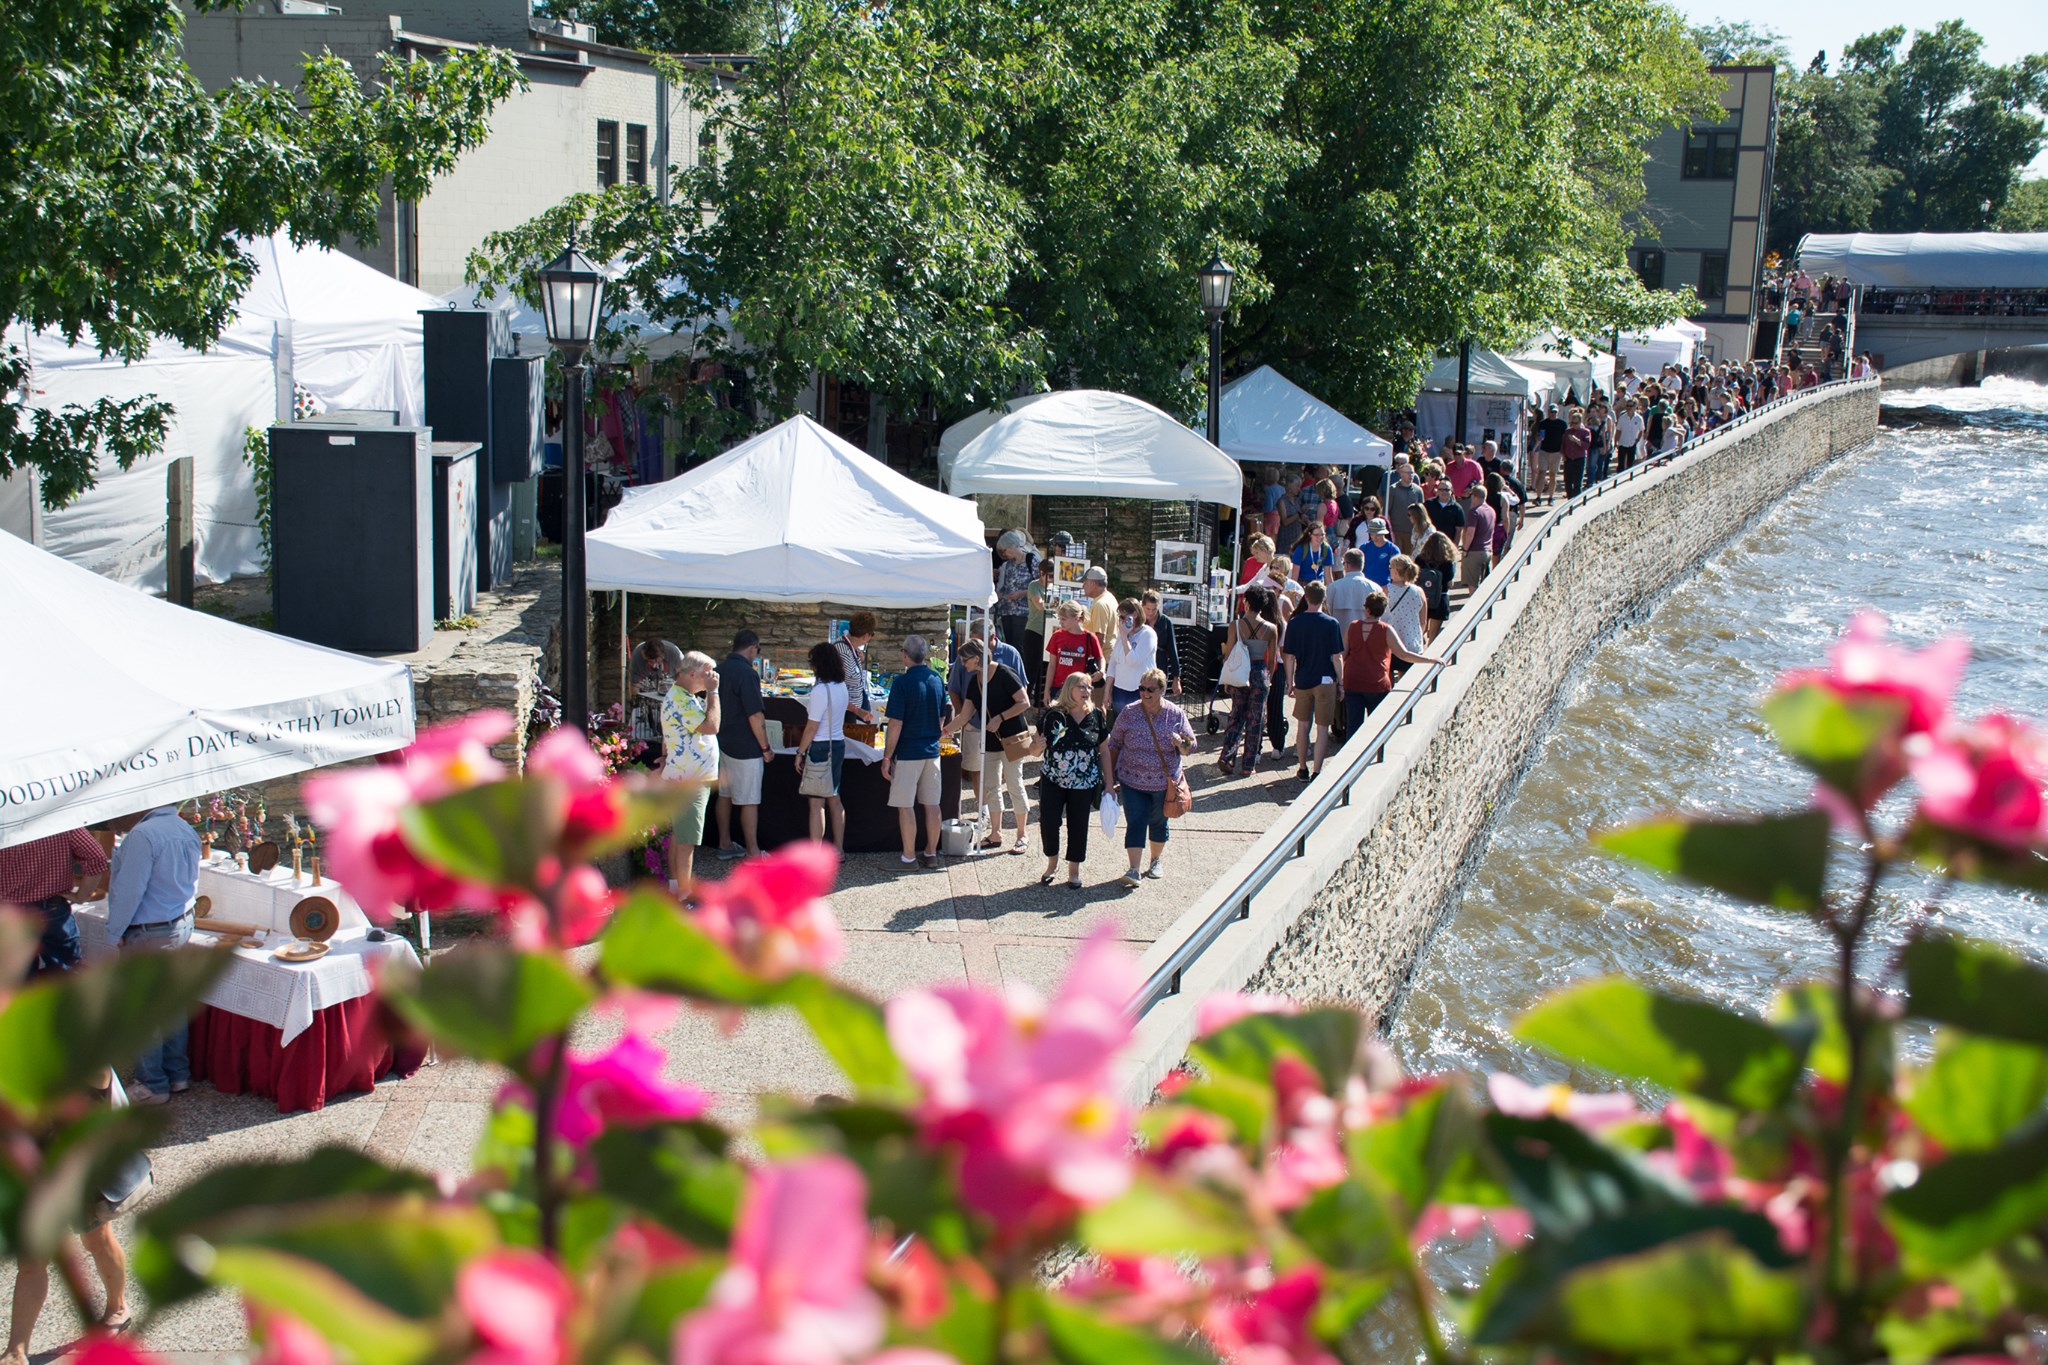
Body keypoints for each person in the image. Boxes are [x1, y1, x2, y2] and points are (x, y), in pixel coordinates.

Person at [2, 1072, 148, 1361]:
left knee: (97, 1241)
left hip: (82, 1176)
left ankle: (117, 1308)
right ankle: (16, 1350)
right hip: (37, 1177)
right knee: (31, 1261)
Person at [106, 805, 201, 1104]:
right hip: (179, 922)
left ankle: (152, 1085)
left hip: (151, 930)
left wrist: (114, 933)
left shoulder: (142, 836)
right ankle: (177, 1075)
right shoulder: (183, 827)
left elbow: (130, 890)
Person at [1102, 668, 1194, 888]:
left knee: (1158, 822)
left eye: (1150, 689)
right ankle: (1134, 869)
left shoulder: (1175, 714)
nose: (1144, 693)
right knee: (1136, 822)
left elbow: (1191, 745)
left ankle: (1155, 861)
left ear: (1162, 690)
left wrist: (1181, 744)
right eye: (1141, 688)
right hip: (1131, 780)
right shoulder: (1129, 712)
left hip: (1163, 783)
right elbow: (1114, 743)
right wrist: (1108, 778)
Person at [944, 639, 1032, 854]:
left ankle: (1022, 835)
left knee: (1014, 784)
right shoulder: (975, 681)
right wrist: (944, 732)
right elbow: (965, 715)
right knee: (991, 787)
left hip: (1012, 739)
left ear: (976, 658)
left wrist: (1000, 717)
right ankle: (996, 833)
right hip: (991, 740)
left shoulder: (1004, 673)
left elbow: (1024, 702)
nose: (963, 664)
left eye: (965, 660)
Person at [1031, 673, 1111, 888]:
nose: (1087, 691)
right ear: (1069, 689)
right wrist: (1037, 746)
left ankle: (1074, 870)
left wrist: (1110, 785)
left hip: (1083, 783)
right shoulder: (1053, 716)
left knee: (1078, 825)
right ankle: (1052, 864)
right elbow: (1033, 749)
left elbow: (1104, 751)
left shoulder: (1096, 716)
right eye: (1081, 687)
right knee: (1049, 822)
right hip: (1053, 780)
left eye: (1089, 688)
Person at [0, 828, 108, 978]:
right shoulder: (60, 819)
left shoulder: (5, 819)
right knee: (64, 974)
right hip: (53, 907)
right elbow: (96, 858)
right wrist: (82, 896)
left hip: (12, 911)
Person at [659, 650, 721, 898]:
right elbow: (712, 726)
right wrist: (713, 693)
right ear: (694, 673)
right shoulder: (682, 700)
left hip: (684, 775)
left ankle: (676, 889)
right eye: (708, 673)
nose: (712, 677)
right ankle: (684, 898)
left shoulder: (681, 696)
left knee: (680, 836)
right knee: (687, 842)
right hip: (690, 779)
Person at [882, 635, 946, 868]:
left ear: (904, 654)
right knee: (932, 804)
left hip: (909, 752)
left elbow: (895, 723)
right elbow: (942, 716)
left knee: (905, 805)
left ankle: (908, 857)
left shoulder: (901, 683)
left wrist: (887, 756)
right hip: (931, 750)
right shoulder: (937, 679)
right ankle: (931, 854)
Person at [1339, 589, 1443, 731]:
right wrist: (1430, 659)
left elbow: (1342, 655)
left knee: (1353, 726)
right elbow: (1404, 654)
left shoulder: (1353, 626)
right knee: (1377, 728)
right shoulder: (1386, 630)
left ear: (1367, 609)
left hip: (1353, 681)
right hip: (1377, 683)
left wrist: (1338, 680)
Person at [714, 630, 774, 861]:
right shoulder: (747, 674)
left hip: (722, 742)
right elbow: (755, 716)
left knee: (725, 795)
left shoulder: (718, 671)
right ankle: (753, 852)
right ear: (752, 648)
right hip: (745, 746)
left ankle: (725, 843)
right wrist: (766, 748)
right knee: (749, 800)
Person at [1281, 579, 1344, 782]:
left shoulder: (1295, 622)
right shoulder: (1331, 623)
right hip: (1325, 680)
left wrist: (1290, 683)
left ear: (1306, 598)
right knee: (1323, 727)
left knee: (1303, 725)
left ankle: (1302, 767)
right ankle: (1317, 770)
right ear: (1323, 598)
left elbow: (1289, 657)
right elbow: (1337, 657)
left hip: (1303, 679)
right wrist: (1341, 682)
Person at [1218, 584, 1282, 776]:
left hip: (1240, 673)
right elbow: (1271, 659)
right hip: (1259, 673)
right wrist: (1268, 678)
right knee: (1256, 720)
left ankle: (1227, 756)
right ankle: (1248, 765)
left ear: (1246, 602)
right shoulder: (1271, 628)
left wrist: (1228, 678)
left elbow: (1229, 653)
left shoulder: (1235, 625)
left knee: (1236, 715)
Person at [794, 641, 850, 851]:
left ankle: (816, 854)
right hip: (838, 744)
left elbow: (811, 727)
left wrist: (800, 752)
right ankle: (839, 849)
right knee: (834, 798)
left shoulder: (820, 691)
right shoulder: (841, 686)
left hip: (820, 747)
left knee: (816, 803)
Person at [1042, 598, 1106, 706]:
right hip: (1058, 687)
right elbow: (1052, 665)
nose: (1060, 622)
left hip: (1080, 688)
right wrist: (1046, 690)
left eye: (1064, 619)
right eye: (1060, 618)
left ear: (1076, 618)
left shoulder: (1089, 637)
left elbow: (1101, 657)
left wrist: (1101, 672)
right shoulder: (1057, 636)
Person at [1105, 597, 1156, 714]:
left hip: (1139, 690)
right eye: (1120, 618)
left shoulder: (1147, 634)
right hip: (1120, 689)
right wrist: (1107, 691)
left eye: (1123, 617)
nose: (1121, 621)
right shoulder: (1122, 633)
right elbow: (1113, 662)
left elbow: (1133, 661)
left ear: (1135, 615)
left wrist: (1124, 636)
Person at [833, 612, 881, 729]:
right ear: (865, 636)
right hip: (844, 714)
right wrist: (857, 711)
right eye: (872, 634)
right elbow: (836, 691)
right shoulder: (843, 652)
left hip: (849, 712)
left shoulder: (850, 649)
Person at [992, 529, 1037, 653]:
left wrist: (1020, 594)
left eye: (1004, 550)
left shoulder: (1032, 561)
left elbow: (1040, 587)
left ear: (1011, 547)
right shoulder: (1008, 565)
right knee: (1009, 646)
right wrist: (1000, 595)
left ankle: (1019, 671)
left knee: (1019, 646)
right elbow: (1004, 587)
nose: (1003, 554)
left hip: (1023, 613)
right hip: (1007, 612)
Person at [1415, 531, 1458, 642]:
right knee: (1433, 636)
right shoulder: (1448, 562)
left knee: (1420, 630)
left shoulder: (1420, 559)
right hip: (1440, 598)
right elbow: (1449, 583)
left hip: (1423, 598)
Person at [1380, 556, 1428, 655]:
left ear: (1396, 571)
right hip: (1413, 645)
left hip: (1391, 644)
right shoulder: (1419, 591)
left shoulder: (1385, 591)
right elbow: (1423, 621)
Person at [1139, 590, 1182, 696]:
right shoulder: (1139, 621)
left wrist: (1176, 678)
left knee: (1157, 697)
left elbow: (1173, 651)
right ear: (1142, 606)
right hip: (1142, 665)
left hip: (1160, 664)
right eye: (1148, 609)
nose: (1150, 613)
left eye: (1154, 609)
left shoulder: (1166, 622)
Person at [1024, 559, 1056, 698]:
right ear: (1041, 573)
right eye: (1049, 576)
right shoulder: (1033, 586)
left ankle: (1039, 698)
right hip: (1034, 631)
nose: (1051, 579)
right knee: (1031, 667)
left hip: (1050, 632)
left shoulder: (1054, 587)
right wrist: (1055, 604)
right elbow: (1040, 605)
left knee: (1044, 667)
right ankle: (1025, 696)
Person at [1326, 546, 1373, 635]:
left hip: (1339, 640)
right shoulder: (1374, 588)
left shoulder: (1334, 587)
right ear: (1362, 564)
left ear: (1346, 565)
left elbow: (1328, 614)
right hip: (1365, 640)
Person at [1080, 566, 1119, 663]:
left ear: (1093, 584)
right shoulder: (1110, 598)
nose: (1083, 586)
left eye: (1085, 582)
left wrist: (1092, 662)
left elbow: (1100, 638)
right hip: (1109, 657)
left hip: (1102, 660)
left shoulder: (1100, 604)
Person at [1459, 483, 1495, 587]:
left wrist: (1465, 550)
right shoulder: (1491, 511)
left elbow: (1470, 533)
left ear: (1474, 496)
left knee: (1473, 585)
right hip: (1487, 551)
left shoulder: (1474, 512)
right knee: (1483, 584)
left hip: (1474, 551)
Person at [1385, 461, 1424, 555]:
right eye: (1408, 473)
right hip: (1396, 531)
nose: (1411, 475)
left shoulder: (1418, 490)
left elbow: (1422, 512)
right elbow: (1387, 511)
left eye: (1412, 473)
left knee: (1409, 558)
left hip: (1412, 531)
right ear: (1401, 474)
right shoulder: (1393, 489)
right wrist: (1390, 532)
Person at [1357, 518, 1397, 586]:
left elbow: (1397, 571)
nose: (1374, 537)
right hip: (1367, 585)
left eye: (1378, 535)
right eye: (1372, 534)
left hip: (1384, 586)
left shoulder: (1392, 549)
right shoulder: (1364, 547)